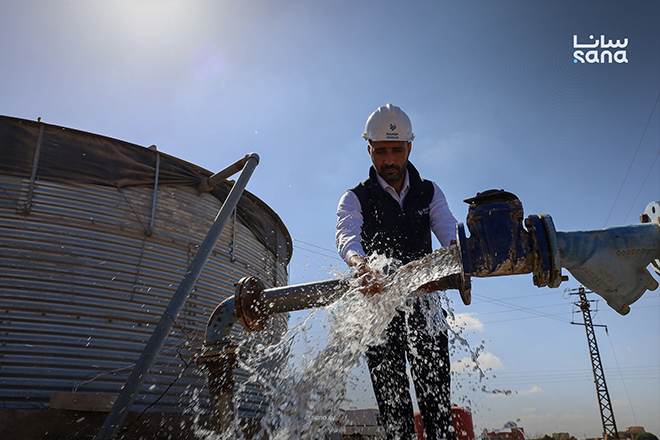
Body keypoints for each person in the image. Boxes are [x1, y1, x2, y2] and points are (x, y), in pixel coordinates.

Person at [335, 103, 458, 440]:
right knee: (395, 418)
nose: (389, 160)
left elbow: (448, 228)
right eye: (380, 151)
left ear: (409, 148)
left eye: (396, 150)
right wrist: (359, 265)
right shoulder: (355, 197)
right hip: (379, 316)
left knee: (438, 412)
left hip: (425, 311)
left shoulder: (429, 192)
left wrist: (457, 254)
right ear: (369, 149)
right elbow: (347, 236)